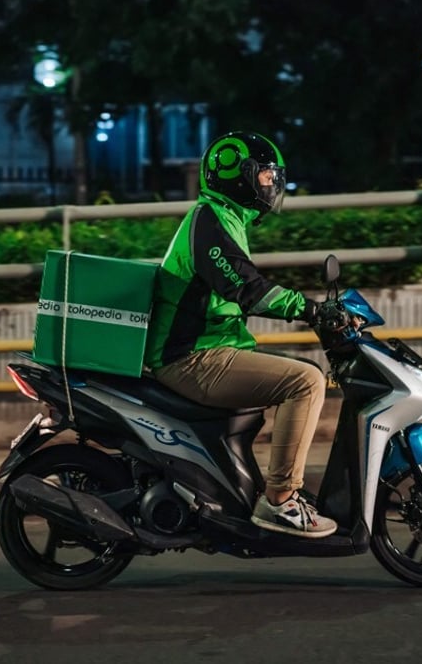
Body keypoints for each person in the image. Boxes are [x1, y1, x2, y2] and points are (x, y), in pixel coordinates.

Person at [143, 131, 337, 539]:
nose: (272, 183)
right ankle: (281, 500)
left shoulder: (224, 218)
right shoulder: (210, 220)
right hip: (189, 357)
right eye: (265, 175)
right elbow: (245, 288)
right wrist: (309, 309)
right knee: (305, 381)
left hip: (207, 349)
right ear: (238, 175)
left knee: (296, 371)